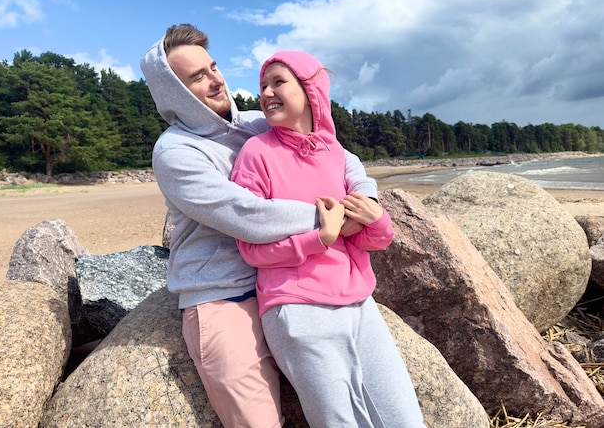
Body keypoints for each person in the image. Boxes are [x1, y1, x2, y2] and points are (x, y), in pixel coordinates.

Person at [140, 24, 378, 428]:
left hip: (284, 280)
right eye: (197, 77)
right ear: (172, 92)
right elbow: (244, 214)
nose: (215, 80)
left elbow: (335, 151)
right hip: (222, 297)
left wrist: (365, 196)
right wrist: (328, 217)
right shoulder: (175, 152)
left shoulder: (256, 124)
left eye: (213, 67)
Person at [231, 50, 426, 427]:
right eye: (263, 85)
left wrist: (379, 219)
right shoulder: (256, 153)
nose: (267, 92)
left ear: (310, 89)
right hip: (297, 307)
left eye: (278, 82)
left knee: (404, 419)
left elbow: (372, 238)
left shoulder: (340, 155)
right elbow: (250, 246)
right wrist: (319, 238)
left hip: (359, 303)